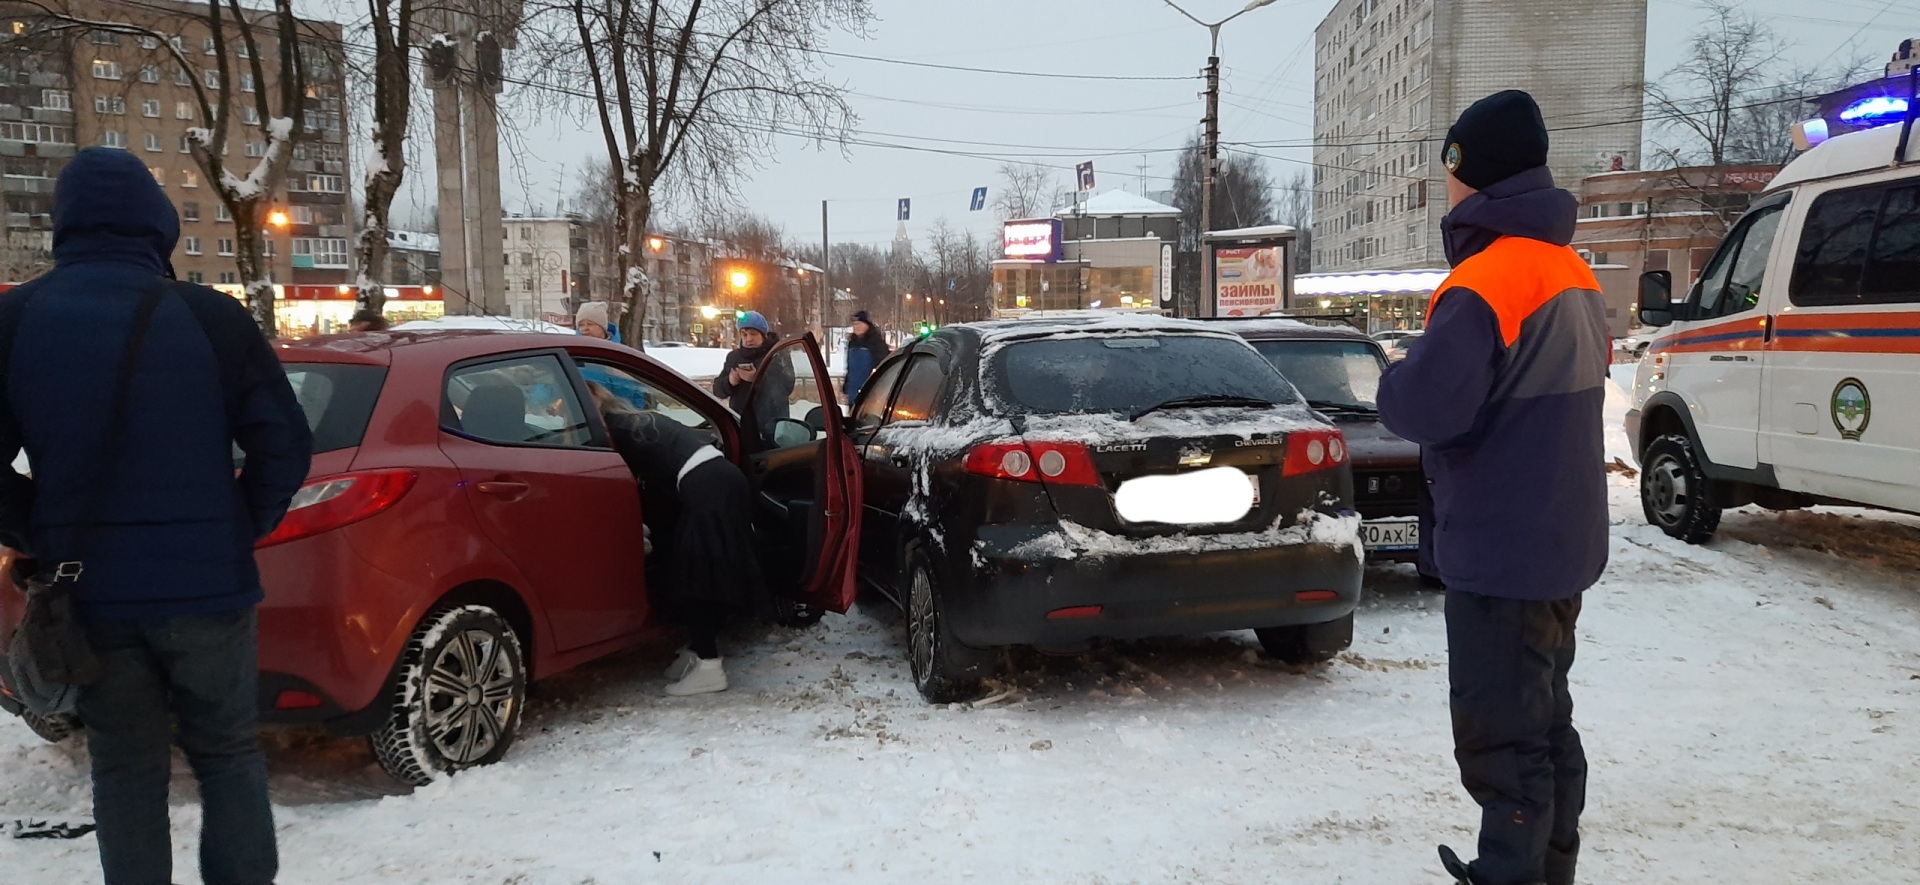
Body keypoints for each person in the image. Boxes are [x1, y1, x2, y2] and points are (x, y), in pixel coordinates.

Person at [0, 148, 312, 885]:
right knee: (229, 754)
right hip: (210, 589)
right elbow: (286, 443)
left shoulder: (15, 320)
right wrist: (239, 523)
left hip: (92, 597)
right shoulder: (209, 317)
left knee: (125, 769)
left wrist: (38, 529)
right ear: (158, 223)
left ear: (64, 223)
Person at [1376, 91, 1609, 885]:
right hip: (1559, 545)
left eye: (1450, 171)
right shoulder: (1569, 271)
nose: (1447, 188)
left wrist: (1395, 377)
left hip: (1503, 553)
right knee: (1546, 727)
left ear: (1469, 175)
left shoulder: (1486, 280)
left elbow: (1429, 407)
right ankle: (1550, 871)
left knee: (1503, 743)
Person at [587, 383, 765, 696]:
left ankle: (709, 666)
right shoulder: (635, 420)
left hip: (706, 487)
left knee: (698, 576)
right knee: (700, 570)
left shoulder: (613, 431)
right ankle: (698, 651)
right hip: (721, 480)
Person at [711, 311, 793, 443]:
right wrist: (730, 382)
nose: (748, 339)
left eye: (753, 334)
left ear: (763, 334)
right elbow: (717, 390)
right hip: (740, 425)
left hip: (772, 427)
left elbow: (787, 386)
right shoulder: (734, 357)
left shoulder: (777, 355)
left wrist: (757, 379)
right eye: (744, 334)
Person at [842, 310, 891, 406]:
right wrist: (846, 384)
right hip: (853, 394)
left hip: (870, 395)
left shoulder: (876, 343)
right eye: (854, 324)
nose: (856, 327)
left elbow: (882, 368)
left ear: (866, 324)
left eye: (859, 324)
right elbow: (850, 368)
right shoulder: (853, 343)